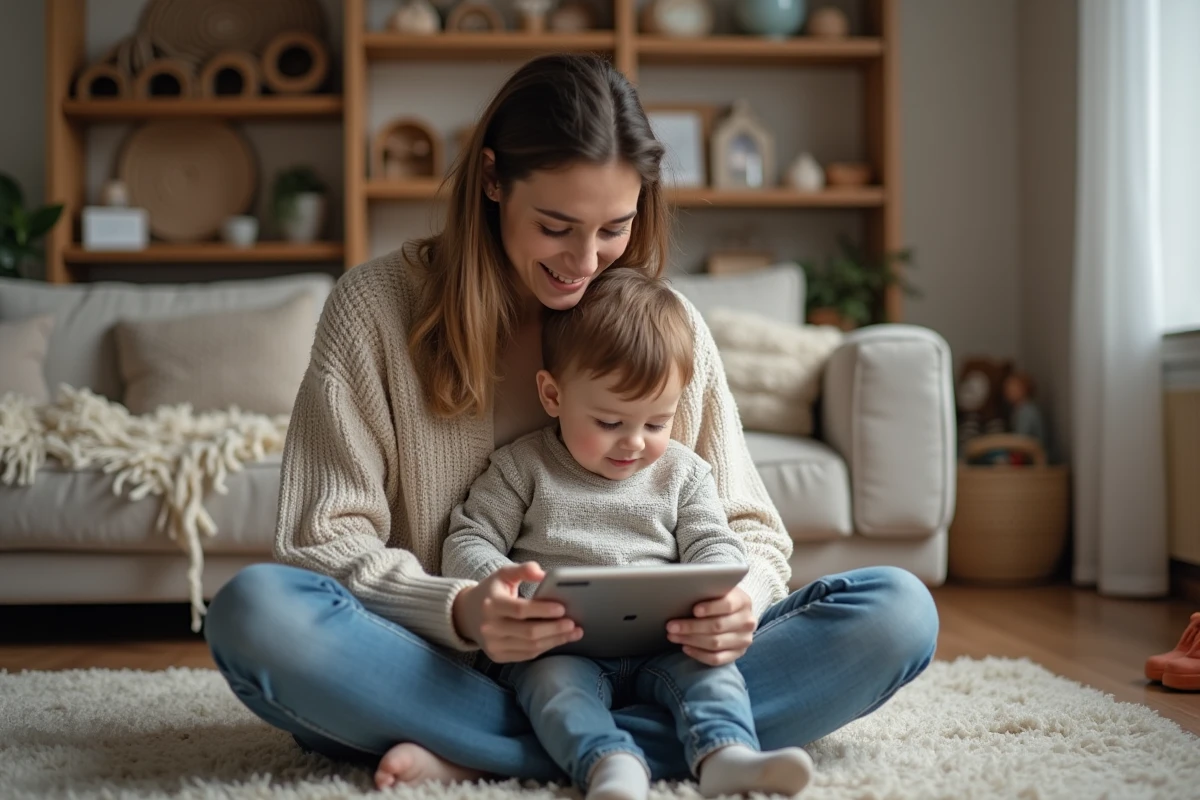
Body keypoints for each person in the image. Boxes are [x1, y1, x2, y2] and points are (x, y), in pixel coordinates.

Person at [203, 53, 939, 789]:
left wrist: (740, 603)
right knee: (256, 615)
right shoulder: (371, 311)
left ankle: (498, 755)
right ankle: (650, 747)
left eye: (614, 229)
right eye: (556, 226)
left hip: (666, 666)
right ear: (492, 180)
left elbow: (748, 527)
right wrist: (462, 609)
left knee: (897, 613)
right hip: (451, 669)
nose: (585, 261)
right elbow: (319, 542)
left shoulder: (661, 322)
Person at [440, 269, 814, 800]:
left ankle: (727, 754)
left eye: (656, 424)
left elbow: (714, 541)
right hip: (557, 645)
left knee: (713, 674)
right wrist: (504, 587)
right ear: (552, 394)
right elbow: (467, 540)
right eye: (610, 422)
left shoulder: (685, 473)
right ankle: (609, 765)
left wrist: (726, 592)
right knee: (551, 689)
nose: (634, 443)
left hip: (668, 640)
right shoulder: (522, 467)